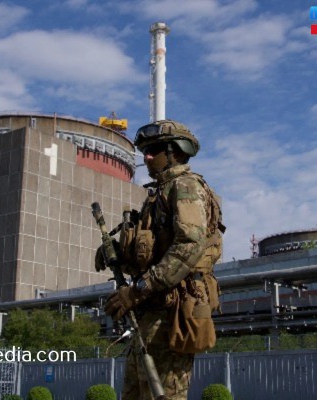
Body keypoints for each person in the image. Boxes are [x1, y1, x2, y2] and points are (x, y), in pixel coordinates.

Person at [97, 120, 225, 400]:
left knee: (163, 394)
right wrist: (120, 253)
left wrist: (138, 289)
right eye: (145, 151)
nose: (147, 157)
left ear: (175, 152)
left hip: (172, 314)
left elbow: (189, 246)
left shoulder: (185, 187)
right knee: (135, 393)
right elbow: (153, 253)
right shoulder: (159, 194)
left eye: (154, 150)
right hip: (151, 312)